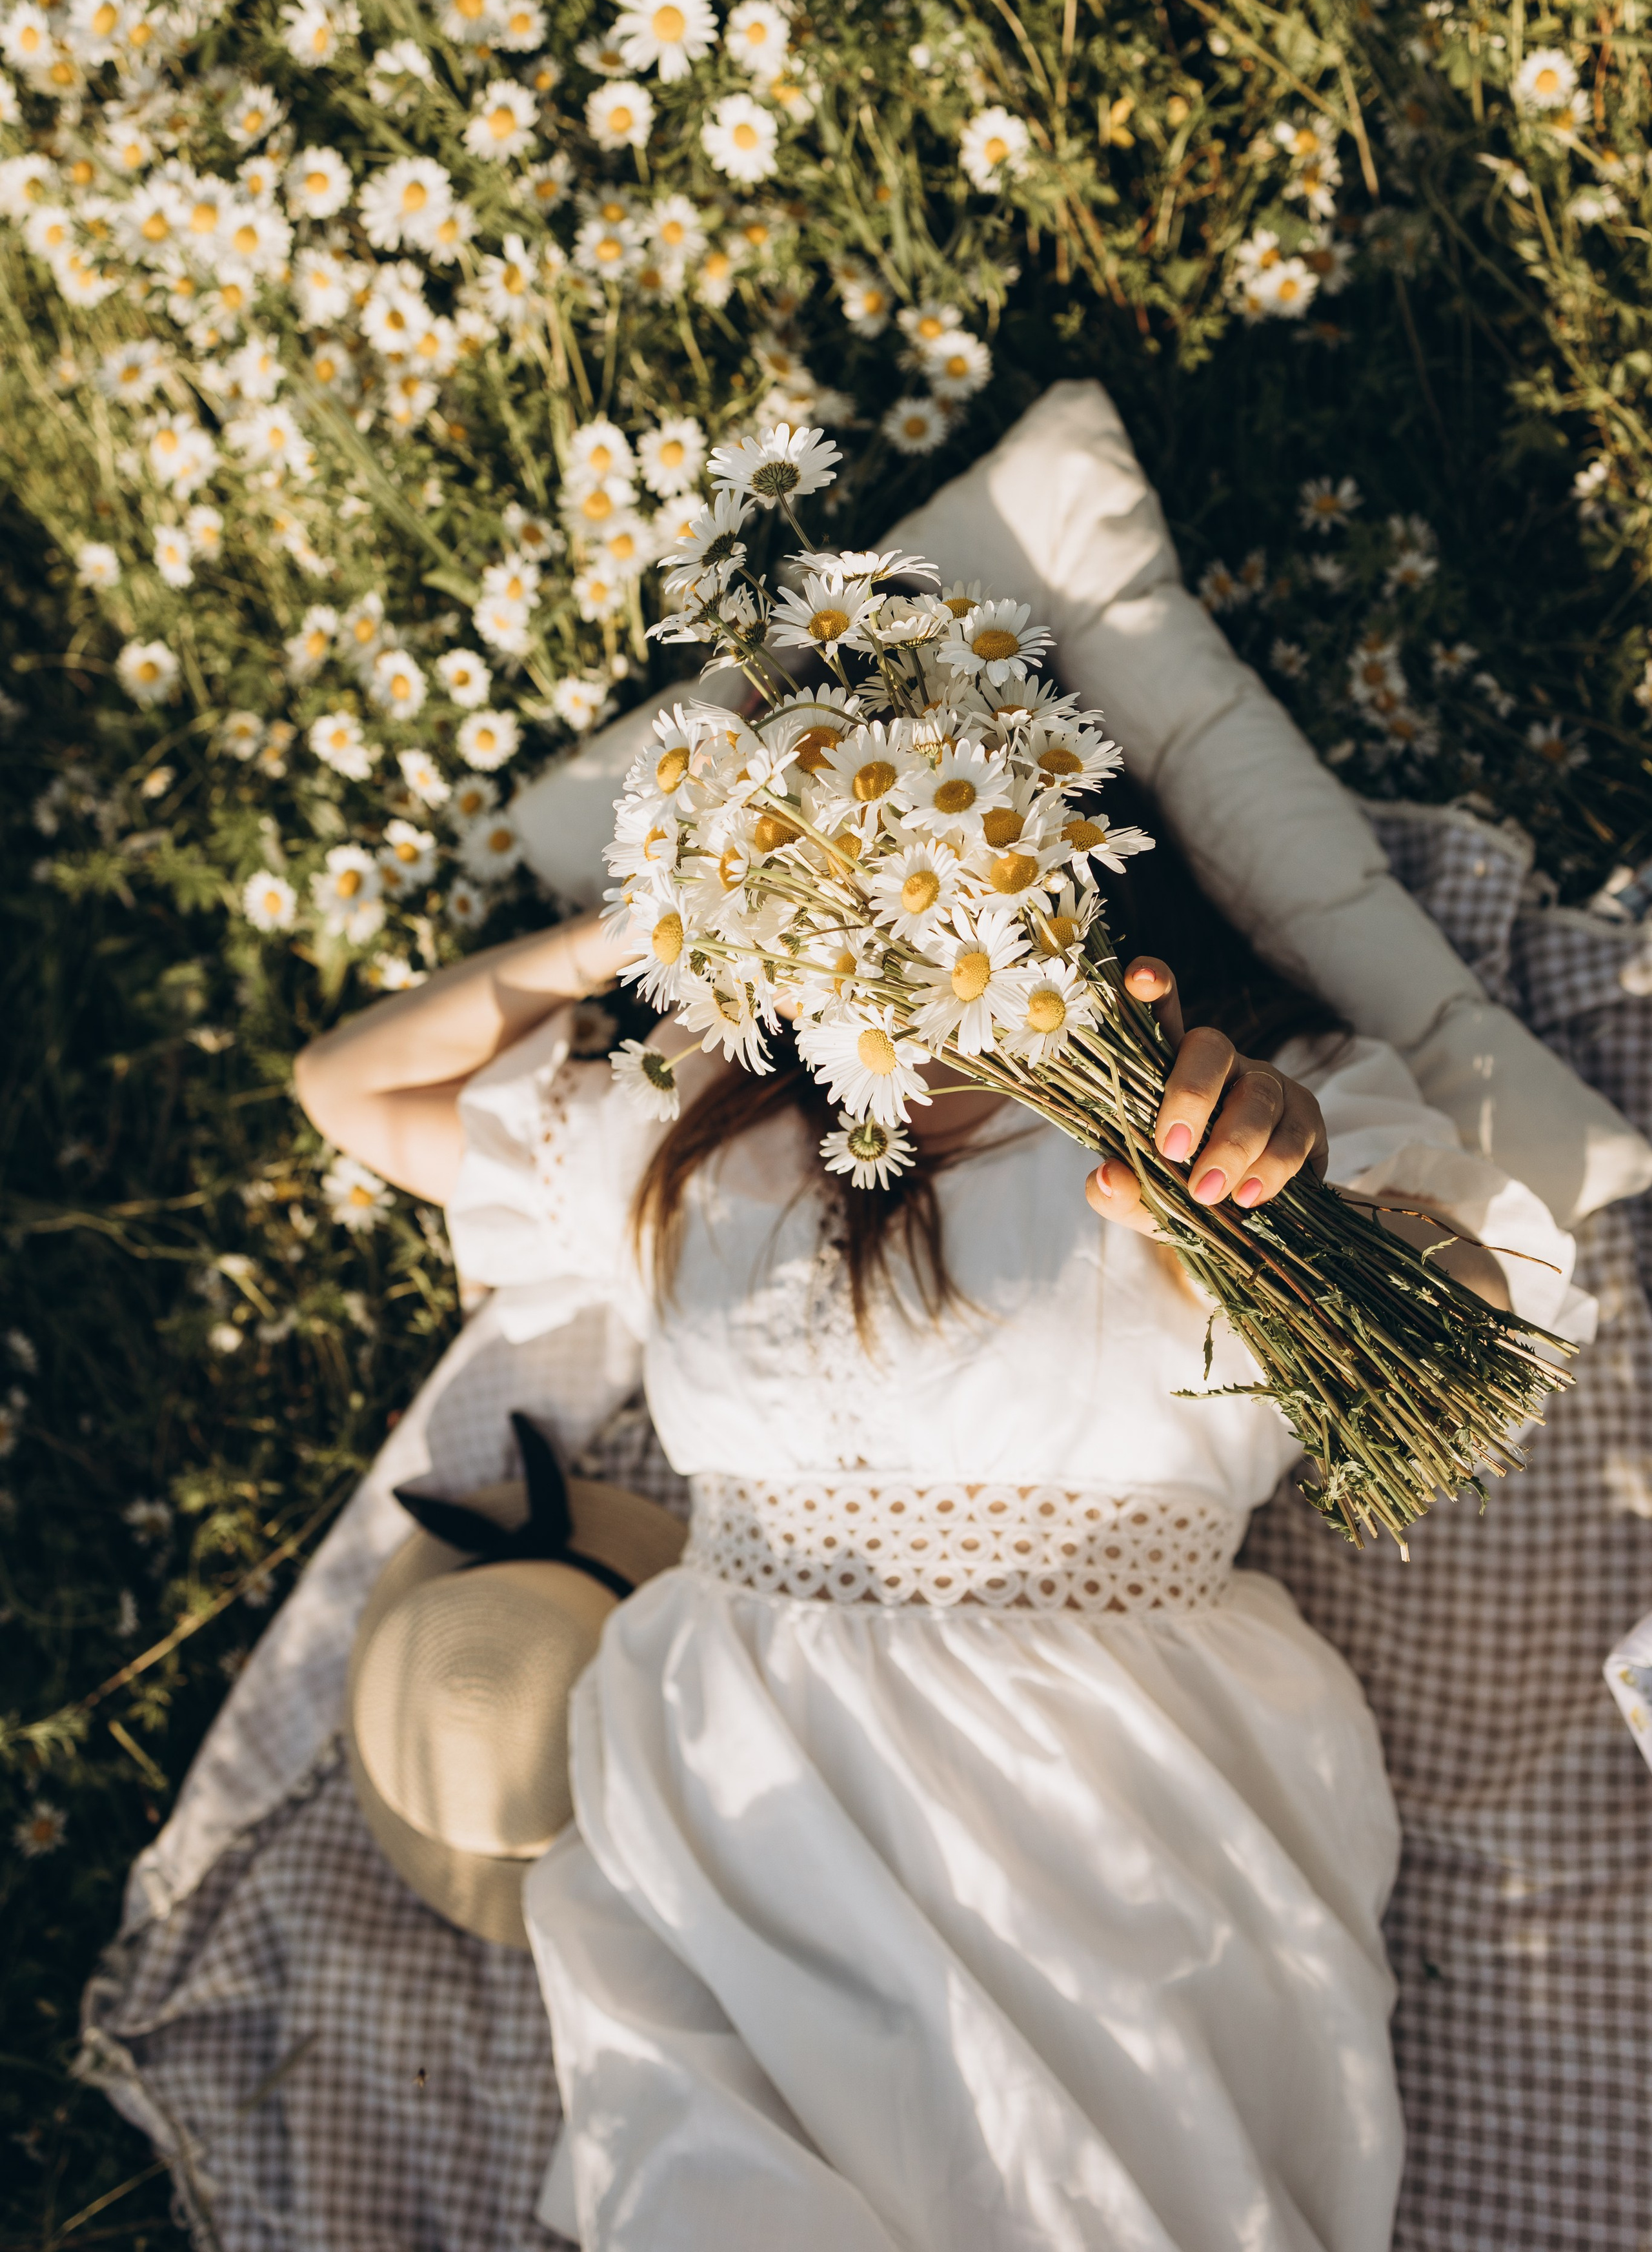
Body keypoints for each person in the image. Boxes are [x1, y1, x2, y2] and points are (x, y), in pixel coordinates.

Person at [294, 799, 1546, 2252]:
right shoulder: (695, 1117)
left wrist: (1277, 1222)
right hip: (732, 1794)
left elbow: (1470, 1307)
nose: (895, 899)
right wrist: (645, 934)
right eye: (833, 860)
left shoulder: (1220, 1097)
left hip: (1097, 1781)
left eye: (951, 839)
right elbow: (350, 1090)